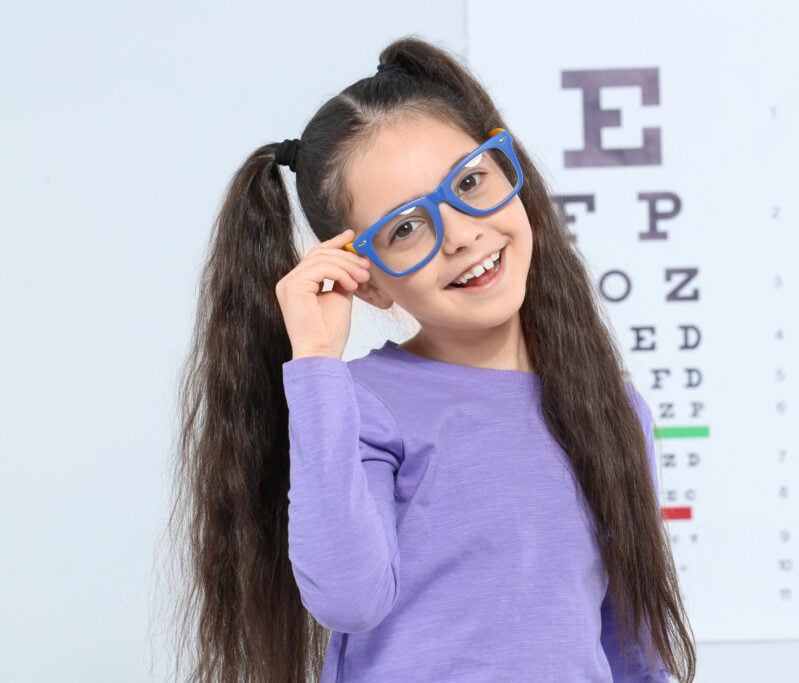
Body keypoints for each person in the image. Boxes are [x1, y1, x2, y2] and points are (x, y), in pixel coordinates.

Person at [173, 37, 696, 682]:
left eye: (471, 182)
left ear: (510, 171)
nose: (461, 234)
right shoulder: (361, 403)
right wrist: (314, 362)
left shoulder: (610, 406)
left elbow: (631, 642)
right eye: (405, 227)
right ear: (366, 278)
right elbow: (348, 598)